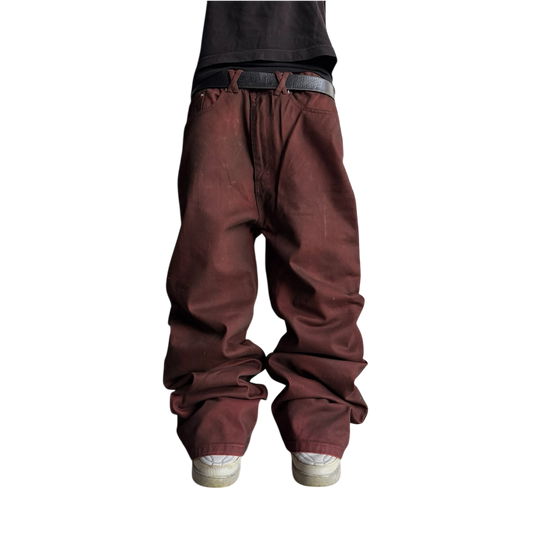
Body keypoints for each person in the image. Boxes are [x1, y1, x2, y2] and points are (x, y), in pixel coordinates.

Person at [163, 0, 369, 491]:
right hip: (217, 84)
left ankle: (318, 423)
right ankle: (215, 423)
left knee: (321, 269)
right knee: (208, 272)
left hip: (306, 90)